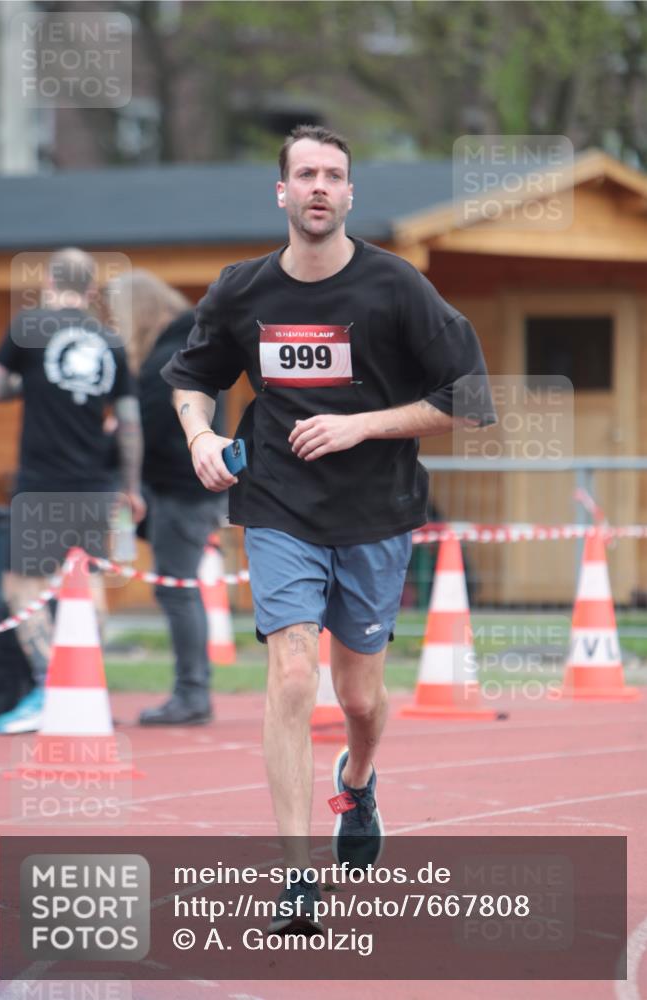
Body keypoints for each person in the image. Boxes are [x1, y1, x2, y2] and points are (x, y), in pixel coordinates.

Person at [161, 125, 495, 929]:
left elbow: (470, 400)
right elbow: (190, 379)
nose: (318, 186)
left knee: (360, 694)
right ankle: (295, 875)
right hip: (277, 506)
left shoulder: (397, 288)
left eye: (333, 175)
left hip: (375, 512)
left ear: (349, 195)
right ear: (281, 192)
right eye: (304, 173)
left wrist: (363, 425)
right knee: (290, 673)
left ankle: (359, 777)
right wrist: (201, 436)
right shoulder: (242, 290)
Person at [0, 248, 145, 734]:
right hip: (96, 486)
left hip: (41, 484)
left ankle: (46, 688)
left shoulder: (29, 327)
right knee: (87, 586)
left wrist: (27, 384)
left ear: (52, 281)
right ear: (92, 290)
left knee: (22, 589)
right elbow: (130, 425)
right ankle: (84, 687)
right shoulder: (110, 341)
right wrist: (132, 488)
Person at [107, 270, 227, 725]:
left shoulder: (168, 361)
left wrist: (104, 447)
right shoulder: (187, 349)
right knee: (178, 587)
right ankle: (192, 689)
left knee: (176, 589)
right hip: (190, 486)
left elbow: (149, 428)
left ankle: (192, 693)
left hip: (184, 489)